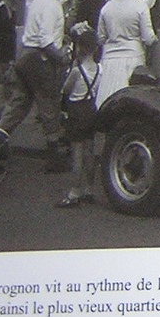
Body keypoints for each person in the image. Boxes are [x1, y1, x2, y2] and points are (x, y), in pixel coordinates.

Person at [0, 0, 70, 172]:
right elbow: (46, 40)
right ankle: (55, 155)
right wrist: (61, 57)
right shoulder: (51, 5)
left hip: (25, 56)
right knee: (49, 104)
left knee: (18, 104)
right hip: (39, 59)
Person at [93, 0, 158, 108]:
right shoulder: (140, 6)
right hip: (133, 58)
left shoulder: (106, 8)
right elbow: (148, 39)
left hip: (110, 59)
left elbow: (101, 38)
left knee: (107, 100)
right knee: (130, 102)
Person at [55, 28, 101, 209]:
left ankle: (74, 191)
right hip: (91, 109)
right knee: (90, 152)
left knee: (77, 154)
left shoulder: (76, 71)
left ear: (80, 47)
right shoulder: (99, 69)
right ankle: (89, 189)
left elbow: (65, 90)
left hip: (76, 111)